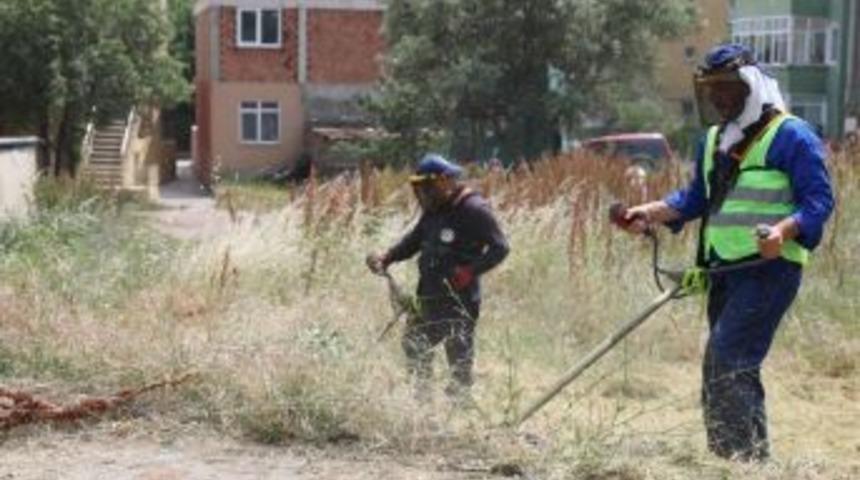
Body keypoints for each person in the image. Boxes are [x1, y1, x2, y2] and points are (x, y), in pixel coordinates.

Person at [616, 44, 834, 461]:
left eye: (727, 88)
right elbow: (697, 197)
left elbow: (818, 202)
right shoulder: (714, 139)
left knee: (729, 357)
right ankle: (739, 460)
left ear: (751, 87)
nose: (717, 97)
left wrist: (784, 231)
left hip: (769, 268)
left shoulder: (791, 135)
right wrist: (649, 213)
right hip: (723, 271)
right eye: (710, 89)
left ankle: (742, 463)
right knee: (726, 365)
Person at [367, 153, 509, 404]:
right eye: (419, 189)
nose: (423, 195)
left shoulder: (474, 210)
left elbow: (500, 248)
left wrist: (470, 271)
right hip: (429, 294)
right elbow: (415, 240)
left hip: (460, 299)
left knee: (458, 358)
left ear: (444, 181)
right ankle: (422, 402)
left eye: (427, 188)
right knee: (414, 343)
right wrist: (388, 257)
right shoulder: (434, 211)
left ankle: (460, 410)